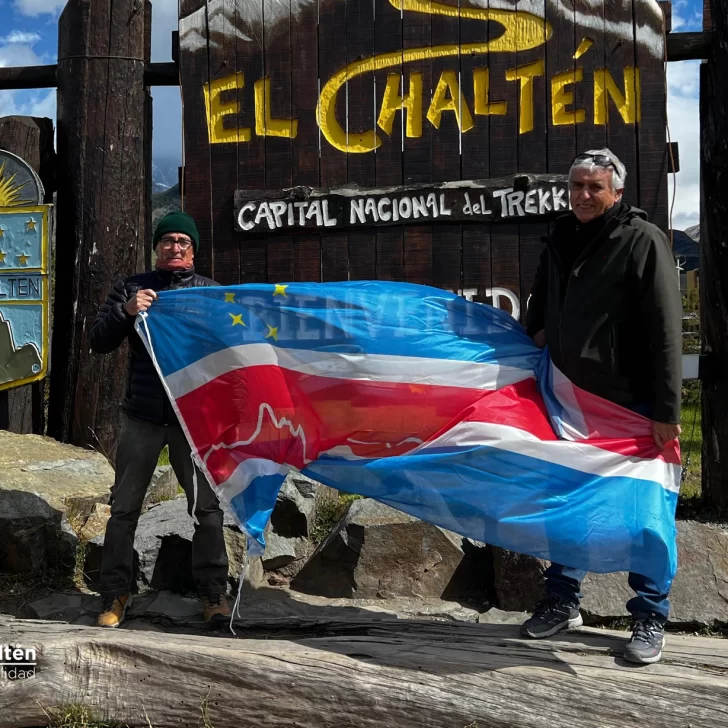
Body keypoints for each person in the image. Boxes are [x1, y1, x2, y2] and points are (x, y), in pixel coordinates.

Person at [522, 149, 683, 664]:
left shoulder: (643, 240)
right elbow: (540, 297)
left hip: (630, 404)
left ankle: (650, 613)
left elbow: (664, 329)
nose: (584, 196)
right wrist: (537, 330)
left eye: (595, 187)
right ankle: (563, 600)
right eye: (577, 187)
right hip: (566, 398)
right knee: (566, 505)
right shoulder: (561, 234)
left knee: (643, 513)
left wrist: (666, 408)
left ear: (617, 191)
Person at [90, 212, 231, 627]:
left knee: (207, 509)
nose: (175, 247)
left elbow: (235, 348)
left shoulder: (211, 294)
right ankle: (115, 595)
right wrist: (127, 311)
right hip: (142, 417)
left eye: (183, 242)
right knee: (124, 510)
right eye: (167, 240)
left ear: (194, 250)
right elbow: (98, 340)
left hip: (195, 420)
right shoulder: (132, 288)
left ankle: (214, 595)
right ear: (156, 247)